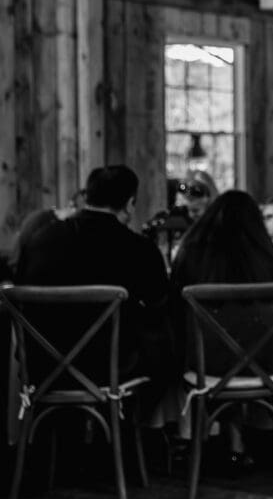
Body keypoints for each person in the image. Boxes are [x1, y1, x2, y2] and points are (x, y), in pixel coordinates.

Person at [171, 191, 273, 476]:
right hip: (267, 359)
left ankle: (228, 449)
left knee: (216, 352)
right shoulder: (264, 254)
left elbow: (175, 305)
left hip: (208, 362)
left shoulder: (192, 250)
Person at [15, 167, 172, 390]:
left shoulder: (40, 240)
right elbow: (159, 305)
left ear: (87, 196)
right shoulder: (139, 249)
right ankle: (137, 424)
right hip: (110, 371)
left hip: (42, 369)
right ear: (129, 204)